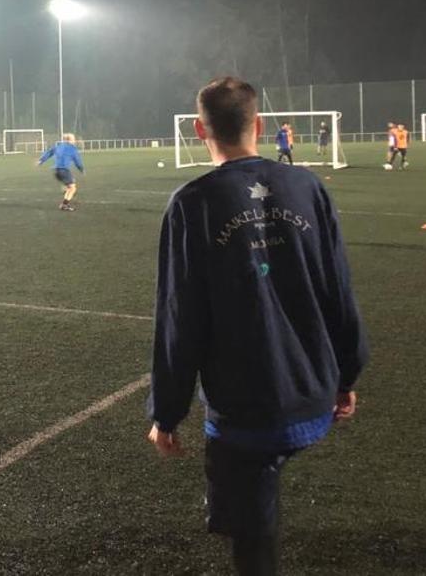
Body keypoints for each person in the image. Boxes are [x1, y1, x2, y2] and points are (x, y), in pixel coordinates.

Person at [147, 77, 369, 576]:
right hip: (311, 394)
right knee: (254, 499)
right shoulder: (308, 187)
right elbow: (339, 288)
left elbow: (180, 317)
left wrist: (167, 412)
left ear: (200, 128)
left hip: (245, 410)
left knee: (249, 528)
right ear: (261, 124)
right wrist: (347, 375)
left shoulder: (192, 203)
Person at [37, 132, 84, 211]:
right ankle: (64, 205)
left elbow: (49, 153)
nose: (74, 140)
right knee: (73, 188)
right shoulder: (72, 149)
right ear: (70, 140)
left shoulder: (58, 146)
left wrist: (41, 160)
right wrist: (81, 169)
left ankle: (66, 189)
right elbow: (77, 161)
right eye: (73, 139)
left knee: (71, 185)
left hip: (56, 171)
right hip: (64, 170)